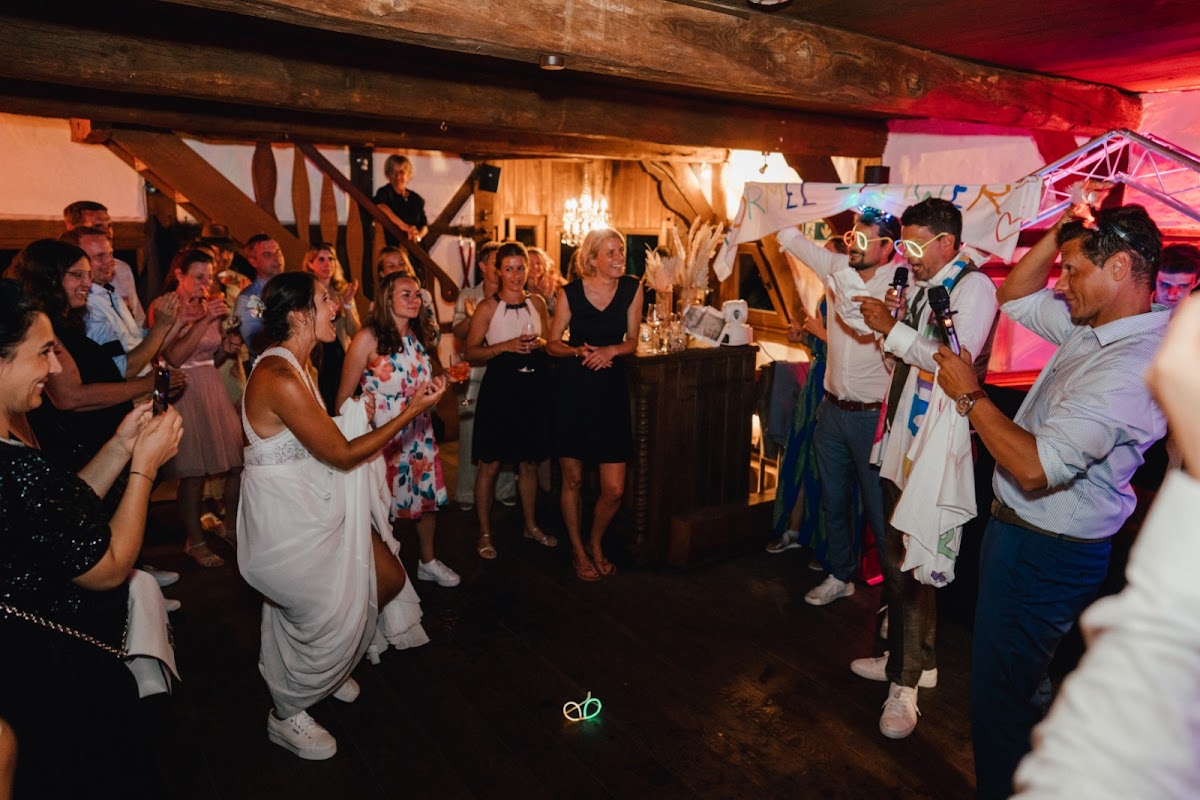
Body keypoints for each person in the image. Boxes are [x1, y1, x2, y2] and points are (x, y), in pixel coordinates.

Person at [932, 201, 1168, 799]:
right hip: (1026, 538)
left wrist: (969, 395)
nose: (1060, 284)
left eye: (1073, 270)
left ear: (1119, 268)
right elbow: (1013, 295)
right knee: (1018, 688)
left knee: (1002, 700)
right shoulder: (1096, 325)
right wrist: (1062, 232)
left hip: (1046, 551)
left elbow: (1036, 469)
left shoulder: (1129, 365)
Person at [239, 272, 445, 760]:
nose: (337, 306)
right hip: (287, 520)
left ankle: (325, 674)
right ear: (298, 315)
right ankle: (286, 712)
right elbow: (344, 454)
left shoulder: (298, 363)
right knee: (322, 612)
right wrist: (410, 410)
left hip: (312, 500)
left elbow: (311, 434)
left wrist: (355, 411)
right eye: (326, 299)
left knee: (385, 577)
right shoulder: (279, 376)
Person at [1010, 293, 1200, 799]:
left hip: (1064, 544)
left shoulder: (1131, 363)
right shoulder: (1102, 334)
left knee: (1017, 687)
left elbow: (1090, 768)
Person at [0, 277, 183, 798]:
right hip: (46, 660)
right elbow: (109, 567)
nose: (56, 369)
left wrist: (121, 446)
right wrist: (145, 468)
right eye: (43, 353)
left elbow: (56, 512)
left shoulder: (10, 438)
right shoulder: (13, 465)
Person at [854, 197, 1000, 739]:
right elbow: (903, 362)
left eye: (915, 246)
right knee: (900, 557)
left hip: (936, 445)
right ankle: (916, 660)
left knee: (912, 563)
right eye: (903, 245)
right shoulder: (922, 287)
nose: (907, 256)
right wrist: (889, 328)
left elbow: (951, 363)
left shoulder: (974, 288)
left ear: (947, 242)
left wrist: (891, 331)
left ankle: (905, 687)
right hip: (903, 436)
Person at [773, 208, 900, 607]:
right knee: (833, 500)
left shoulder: (900, 284)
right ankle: (840, 575)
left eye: (863, 240)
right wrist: (775, 200)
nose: (853, 246)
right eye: (851, 238)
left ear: (887, 247)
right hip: (830, 411)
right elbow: (790, 238)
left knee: (880, 511)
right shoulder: (836, 267)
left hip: (872, 417)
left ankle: (896, 601)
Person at [4, 239, 183, 462]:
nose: (88, 283)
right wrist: (147, 384)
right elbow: (70, 397)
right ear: (48, 278)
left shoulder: (69, 322)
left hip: (102, 442)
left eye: (88, 275)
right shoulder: (42, 328)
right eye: (77, 275)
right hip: (80, 448)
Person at [337, 273, 460, 589]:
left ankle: (427, 562)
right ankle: (378, 576)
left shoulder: (415, 337)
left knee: (426, 500)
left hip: (418, 432)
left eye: (417, 294)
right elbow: (342, 401)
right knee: (379, 509)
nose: (414, 299)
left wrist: (437, 386)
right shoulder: (367, 339)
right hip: (382, 436)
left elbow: (415, 386)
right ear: (386, 299)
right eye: (406, 294)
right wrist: (366, 408)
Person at [546, 227, 643, 581]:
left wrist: (611, 350)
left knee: (614, 489)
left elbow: (633, 340)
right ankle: (578, 549)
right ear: (592, 260)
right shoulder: (569, 293)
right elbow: (552, 343)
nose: (619, 258)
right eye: (611, 252)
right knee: (572, 479)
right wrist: (576, 351)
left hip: (610, 392)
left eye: (621, 251)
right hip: (573, 389)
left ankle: (595, 541)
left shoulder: (632, 288)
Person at [464, 241, 555, 559]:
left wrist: (541, 342)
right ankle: (484, 533)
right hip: (500, 390)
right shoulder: (487, 308)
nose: (516, 275)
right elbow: (471, 352)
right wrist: (505, 346)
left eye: (520, 268)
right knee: (489, 464)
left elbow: (550, 342)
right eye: (509, 269)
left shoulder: (538, 303)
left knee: (528, 463)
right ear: (498, 271)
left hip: (533, 388)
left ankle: (530, 525)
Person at [156, 248, 244, 568]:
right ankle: (195, 541)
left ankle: (231, 527)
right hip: (183, 390)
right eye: (198, 277)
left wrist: (226, 349)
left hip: (211, 386)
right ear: (179, 275)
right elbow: (174, 357)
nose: (205, 284)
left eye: (208, 277)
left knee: (235, 464)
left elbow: (211, 358)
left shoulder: (210, 305)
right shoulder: (164, 306)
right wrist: (205, 319)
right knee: (192, 473)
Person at [62, 226, 180, 379]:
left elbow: (142, 346)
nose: (110, 261)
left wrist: (174, 320)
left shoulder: (111, 294)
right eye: (100, 256)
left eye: (110, 254)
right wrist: (161, 326)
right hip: (127, 392)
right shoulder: (86, 306)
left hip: (142, 390)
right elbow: (120, 370)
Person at [452, 240, 515, 510]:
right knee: (470, 433)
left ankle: (505, 489)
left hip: (504, 373)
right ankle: (467, 492)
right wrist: (472, 318)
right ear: (483, 266)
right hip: (475, 373)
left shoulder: (510, 294)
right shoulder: (469, 294)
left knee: (504, 431)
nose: (500, 268)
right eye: (495, 262)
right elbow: (458, 332)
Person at [63, 200, 145, 326]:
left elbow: (139, 321)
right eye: (97, 227)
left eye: (109, 225)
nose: (108, 233)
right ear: (72, 229)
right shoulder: (62, 274)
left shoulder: (121, 268)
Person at [302, 243, 361, 413]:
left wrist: (348, 304)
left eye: (331, 259)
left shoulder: (343, 291)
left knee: (347, 404)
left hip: (341, 355)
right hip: (317, 356)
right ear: (310, 263)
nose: (327, 263)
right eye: (321, 259)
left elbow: (354, 331)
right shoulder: (306, 292)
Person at [234, 233, 285, 366]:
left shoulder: (292, 288)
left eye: (278, 252)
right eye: (267, 254)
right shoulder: (250, 298)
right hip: (270, 369)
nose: (276, 258)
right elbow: (257, 345)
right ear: (253, 261)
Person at [373, 155, 429, 247]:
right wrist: (405, 227)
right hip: (393, 248)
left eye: (401, 172)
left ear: (408, 175)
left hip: (416, 248)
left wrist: (417, 237)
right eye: (393, 172)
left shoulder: (416, 199)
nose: (398, 176)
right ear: (388, 174)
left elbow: (425, 226)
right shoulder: (384, 193)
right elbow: (381, 207)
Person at [1153, 242, 1200, 311]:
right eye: (1165, 285)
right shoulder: (1136, 308)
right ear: (1154, 279)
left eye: (1183, 286)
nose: (1171, 295)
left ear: (1197, 282)